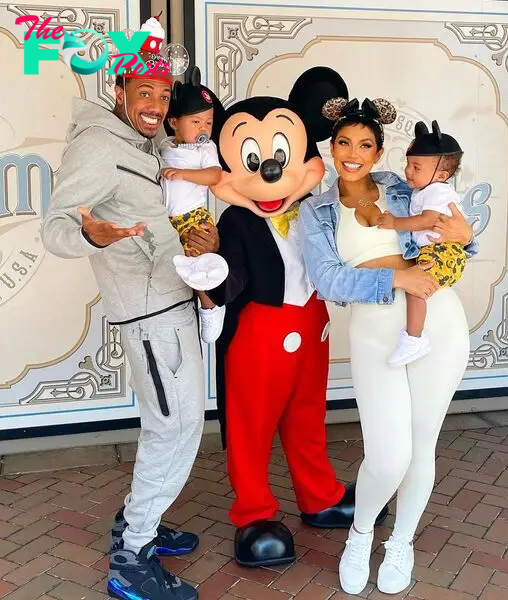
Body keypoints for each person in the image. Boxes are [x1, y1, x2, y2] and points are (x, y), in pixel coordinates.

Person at [41, 16, 220, 600]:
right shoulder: (97, 145)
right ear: (119, 90)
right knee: (176, 426)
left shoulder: (149, 144)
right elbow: (56, 228)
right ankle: (132, 554)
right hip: (150, 318)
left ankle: (136, 519)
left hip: (175, 303)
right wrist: (95, 235)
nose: (156, 104)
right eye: (145, 92)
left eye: (164, 95)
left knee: (174, 423)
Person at [202, 67, 387, 568]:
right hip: (258, 336)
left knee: (308, 418)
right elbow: (233, 275)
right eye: (253, 160)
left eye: (282, 158)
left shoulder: (317, 208)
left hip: (313, 327)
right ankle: (254, 513)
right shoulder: (235, 219)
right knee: (251, 425)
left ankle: (319, 493)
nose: (269, 173)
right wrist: (211, 279)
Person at [299, 96, 477, 596]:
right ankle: (360, 534)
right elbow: (329, 281)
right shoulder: (317, 210)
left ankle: (401, 540)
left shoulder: (405, 188)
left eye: (365, 145)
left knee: (422, 446)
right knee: (388, 455)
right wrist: (399, 278)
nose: (353, 153)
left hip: (440, 325)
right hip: (376, 330)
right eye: (344, 143)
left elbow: (457, 240)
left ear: (379, 153)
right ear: (331, 148)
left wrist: (464, 234)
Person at [376, 120, 467, 366]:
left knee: (416, 288)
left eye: (416, 167)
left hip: (442, 252)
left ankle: (414, 338)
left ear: (441, 175)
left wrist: (395, 222)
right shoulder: (423, 191)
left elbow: (427, 220)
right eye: (408, 164)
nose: (408, 171)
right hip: (436, 251)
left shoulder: (438, 191)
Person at [160, 65, 228, 343]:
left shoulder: (204, 149)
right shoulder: (165, 146)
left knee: (196, 262)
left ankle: (210, 305)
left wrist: (184, 174)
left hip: (193, 217)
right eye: (196, 122)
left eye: (208, 123)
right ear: (174, 121)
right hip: (167, 220)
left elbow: (215, 175)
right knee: (176, 268)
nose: (203, 129)